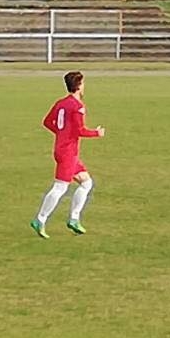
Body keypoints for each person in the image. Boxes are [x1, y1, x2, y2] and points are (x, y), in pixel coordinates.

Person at [31, 70, 107, 238]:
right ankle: (40, 219)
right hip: (68, 152)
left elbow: (47, 122)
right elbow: (80, 130)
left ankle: (74, 218)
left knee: (86, 182)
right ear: (79, 86)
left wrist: (61, 133)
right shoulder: (78, 106)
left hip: (62, 149)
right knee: (60, 187)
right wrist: (97, 133)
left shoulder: (61, 103)